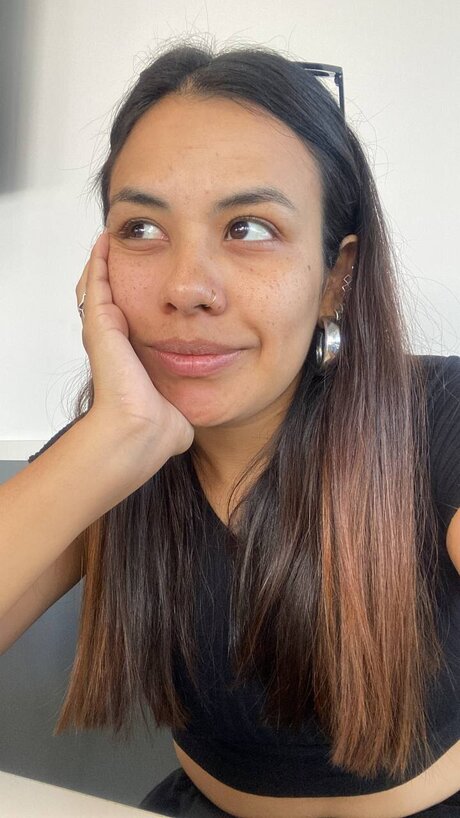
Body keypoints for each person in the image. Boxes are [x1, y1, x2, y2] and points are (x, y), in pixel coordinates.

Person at [1, 39, 459, 818]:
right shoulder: (110, 451)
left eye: (248, 228)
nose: (187, 287)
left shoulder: (438, 414)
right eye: (142, 229)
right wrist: (118, 437)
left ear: (336, 276)